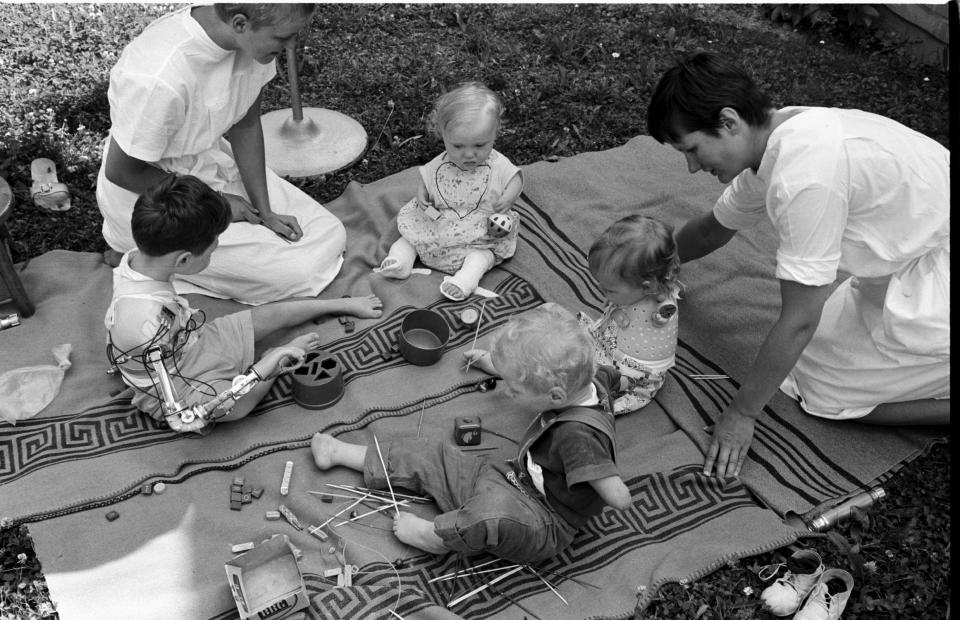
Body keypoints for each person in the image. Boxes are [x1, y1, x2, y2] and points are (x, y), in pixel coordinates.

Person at [647, 51, 950, 478]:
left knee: (830, 396)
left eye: (693, 150)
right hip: (912, 258)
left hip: (937, 272)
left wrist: (742, 414)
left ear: (729, 122)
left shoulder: (804, 175)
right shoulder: (777, 134)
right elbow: (712, 230)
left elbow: (800, 320)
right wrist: (651, 267)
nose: (692, 167)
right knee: (810, 369)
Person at [310, 304, 631, 564]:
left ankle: (435, 537)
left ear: (558, 396)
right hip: (508, 476)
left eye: (514, 388)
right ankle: (342, 454)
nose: (507, 394)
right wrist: (496, 365)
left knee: (490, 515)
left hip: (542, 520)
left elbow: (618, 497)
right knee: (434, 454)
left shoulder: (578, 439)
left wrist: (606, 481)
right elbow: (616, 378)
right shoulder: (594, 378)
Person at [97, 3, 347, 305]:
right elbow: (123, 172)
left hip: (207, 166)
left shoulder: (252, 42)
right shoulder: (159, 78)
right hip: (154, 201)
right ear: (240, 23)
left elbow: (246, 124)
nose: (290, 46)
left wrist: (264, 210)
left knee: (331, 234)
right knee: (301, 271)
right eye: (283, 38)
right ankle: (134, 249)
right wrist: (220, 203)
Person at [105, 175, 383, 433]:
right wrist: (268, 365)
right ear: (184, 260)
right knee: (234, 406)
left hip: (191, 342)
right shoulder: (142, 325)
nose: (215, 251)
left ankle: (337, 305)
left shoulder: (139, 258)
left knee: (266, 315)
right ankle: (275, 360)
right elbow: (183, 418)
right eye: (212, 250)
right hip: (176, 383)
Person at [375, 82, 523, 301]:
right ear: (443, 135)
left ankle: (465, 280)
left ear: (495, 134)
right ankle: (400, 260)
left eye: (480, 145)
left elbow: (516, 178)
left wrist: (508, 197)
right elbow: (427, 177)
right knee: (414, 231)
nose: (469, 155)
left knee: (481, 256)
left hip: (480, 225)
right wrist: (421, 194)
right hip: (440, 217)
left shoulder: (498, 164)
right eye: (458, 146)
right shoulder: (443, 161)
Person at [578, 214, 681, 415]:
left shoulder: (660, 304)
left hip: (635, 369)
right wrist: (614, 298)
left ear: (647, 286)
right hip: (613, 341)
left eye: (609, 289)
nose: (601, 291)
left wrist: (662, 316)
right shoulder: (639, 288)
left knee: (596, 386)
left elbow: (663, 315)